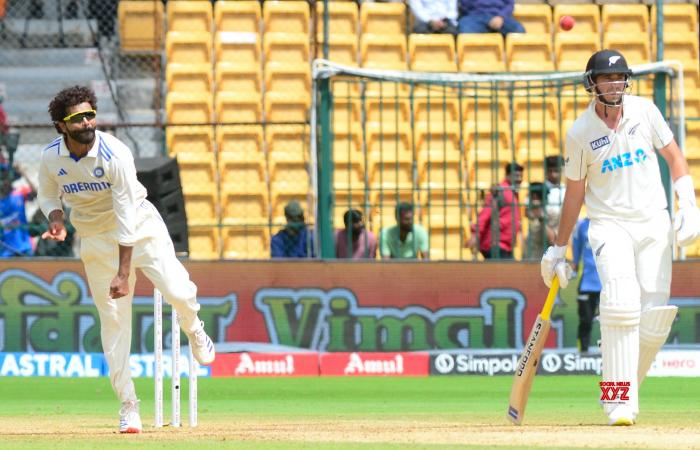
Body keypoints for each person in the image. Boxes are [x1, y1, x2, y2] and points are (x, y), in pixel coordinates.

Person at [38, 85, 216, 434]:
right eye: (78, 118)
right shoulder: (50, 157)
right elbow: (47, 193)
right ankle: (129, 406)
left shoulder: (114, 153)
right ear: (61, 125)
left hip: (140, 225)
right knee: (114, 323)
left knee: (178, 290)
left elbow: (125, 216)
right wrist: (55, 218)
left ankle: (194, 329)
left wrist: (124, 273)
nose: (87, 122)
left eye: (91, 115)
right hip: (94, 238)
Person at [540, 50, 700, 426]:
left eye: (619, 77)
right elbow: (575, 194)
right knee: (620, 302)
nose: (614, 84)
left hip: (653, 222)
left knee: (654, 318)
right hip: (609, 223)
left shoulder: (644, 111)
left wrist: (689, 205)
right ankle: (618, 401)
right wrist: (559, 248)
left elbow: (675, 158)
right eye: (606, 78)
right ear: (592, 83)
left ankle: (620, 380)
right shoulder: (580, 133)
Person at [468, 162, 523, 259]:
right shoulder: (501, 191)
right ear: (507, 175)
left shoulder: (511, 192)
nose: (519, 179)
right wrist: (476, 233)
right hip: (496, 245)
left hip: (504, 246)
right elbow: (485, 213)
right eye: (516, 176)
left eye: (520, 176)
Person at [572, 216, 601, 353]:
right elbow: (576, 250)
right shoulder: (581, 225)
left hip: (608, 283)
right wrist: (575, 263)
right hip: (587, 283)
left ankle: (610, 356)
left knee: (611, 323)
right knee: (585, 321)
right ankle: (582, 354)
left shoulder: (611, 221)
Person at [0, 165, 33, 257]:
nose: (3, 181)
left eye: (5, 176)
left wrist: (23, 173)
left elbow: (36, 194)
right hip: (4, 249)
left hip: (23, 246)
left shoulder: (19, 192)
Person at [523, 182, 555, 260]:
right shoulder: (527, 213)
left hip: (543, 261)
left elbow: (553, 240)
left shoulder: (551, 213)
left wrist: (541, 218)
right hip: (527, 259)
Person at [457, 0, 525, 36]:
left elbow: (510, 5)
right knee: (465, 30)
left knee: (519, 30)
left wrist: (501, 16)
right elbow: (464, 5)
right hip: (475, 16)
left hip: (498, 16)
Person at [544, 155, 566, 232]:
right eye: (550, 171)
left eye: (556, 171)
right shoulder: (540, 189)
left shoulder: (567, 190)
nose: (553, 175)